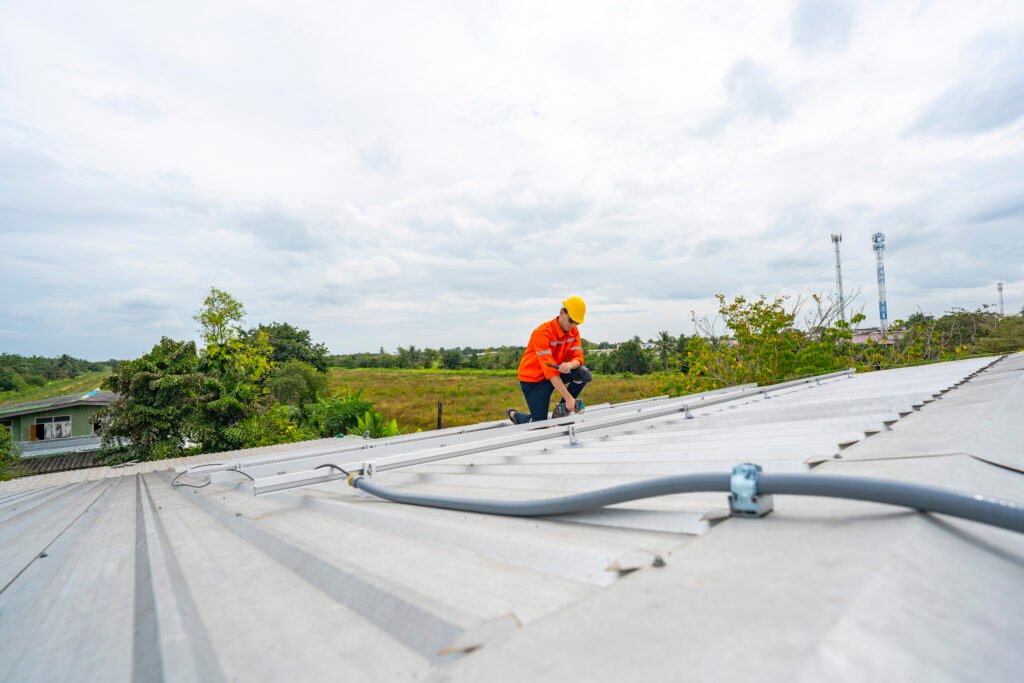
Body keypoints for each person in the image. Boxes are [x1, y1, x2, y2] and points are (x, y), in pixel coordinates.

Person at [507, 296, 592, 424]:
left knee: (583, 373)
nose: (573, 325)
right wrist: (569, 398)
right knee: (539, 424)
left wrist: (569, 364)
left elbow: (578, 358)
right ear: (562, 312)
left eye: (577, 322)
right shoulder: (542, 332)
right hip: (534, 380)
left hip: (555, 373)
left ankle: (562, 410)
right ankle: (513, 414)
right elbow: (550, 371)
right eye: (571, 320)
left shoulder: (573, 331)